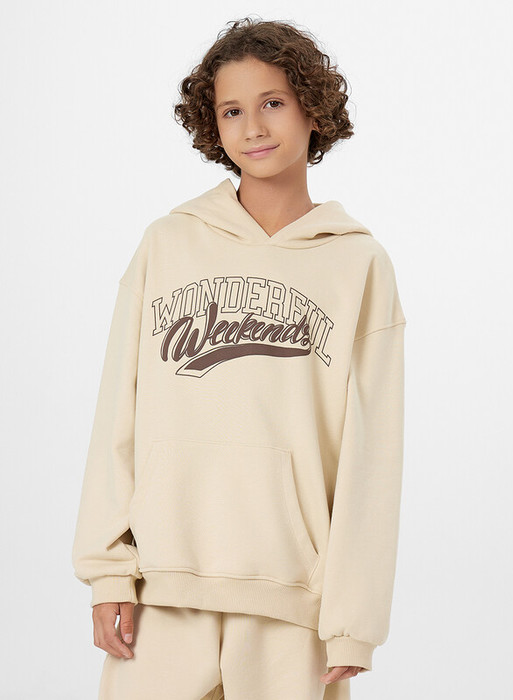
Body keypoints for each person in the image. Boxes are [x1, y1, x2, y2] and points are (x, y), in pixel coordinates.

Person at [72, 16, 407, 700]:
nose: (253, 127)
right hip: (162, 591)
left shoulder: (358, 263)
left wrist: (354, 621)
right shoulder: (167, 244)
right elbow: (116, 415)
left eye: (272, 102)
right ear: (212, 124)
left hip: (293, 604)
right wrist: (108, 572)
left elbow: (372, 456)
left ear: (312, 108)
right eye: (231, 110)